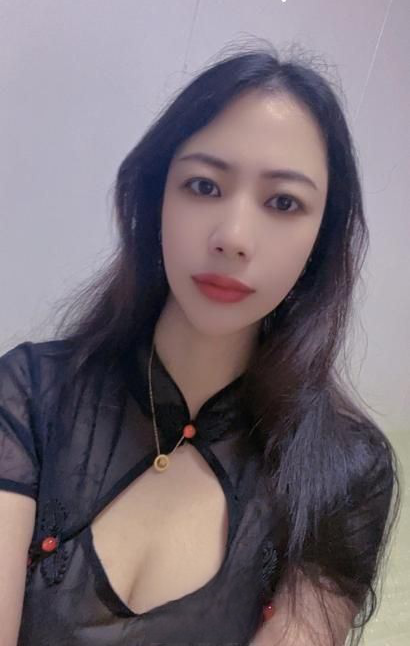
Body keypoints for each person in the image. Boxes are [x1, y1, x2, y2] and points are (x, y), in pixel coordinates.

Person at [0, 42, 400, 646]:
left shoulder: (345, 473)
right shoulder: (29, 397)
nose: (233, 236)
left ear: (321, 238)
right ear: (154, 198)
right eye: (204, 186)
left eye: (283, 202)